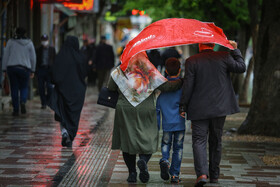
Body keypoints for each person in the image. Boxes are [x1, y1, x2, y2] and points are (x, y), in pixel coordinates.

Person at [107, 52, 182, 184]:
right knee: (149, 137)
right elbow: (166, 86)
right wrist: (181, 81)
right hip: (145, 109)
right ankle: (143, 160)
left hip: (125, 110)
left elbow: (111, 87)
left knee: (127, 141)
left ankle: (132, 173)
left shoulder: (121, 69)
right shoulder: (149, 70)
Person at [179, 41, 246, 186]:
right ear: (213, 45)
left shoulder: (192, 61)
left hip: (198, 108)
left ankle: (202, 174)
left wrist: (183, 106)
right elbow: (241, 67)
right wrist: (235, 50)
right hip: (219, 107)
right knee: (216, 140)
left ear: (199, 45)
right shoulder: (224, 56)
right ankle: (214, 176)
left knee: (199, 140)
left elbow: (188, 85)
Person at [48, 36, 88, 148]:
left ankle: (65, 132)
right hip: (77, 91)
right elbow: (85, 73)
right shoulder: (81, 57)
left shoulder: (60, 57)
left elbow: (54, 74)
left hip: (62, 90)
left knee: (63, 113)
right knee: (73, 115)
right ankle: (70, 134)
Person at [156, 57, 185, 184]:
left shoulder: (162, 91)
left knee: (166, 144)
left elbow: (157, 109)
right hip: (180, 123)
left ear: (166, 72)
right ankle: (175, 175)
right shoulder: (182, 89)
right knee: (178, 148)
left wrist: (157, 126)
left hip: (166, 124)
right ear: (179, 71)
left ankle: (165, 160)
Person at [2, 27, 36, 116]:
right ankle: (23, 101)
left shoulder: (10, 42)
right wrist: (33, 70)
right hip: (25, 69)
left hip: (12, 68)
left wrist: (4, 69)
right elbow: (33, 58)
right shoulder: (29, 43)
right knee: (24, 87)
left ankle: (16, 109)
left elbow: (5, 56)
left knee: (14, 88)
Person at [35, 34, 56, 109]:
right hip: (41, 70)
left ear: (48, 40)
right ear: (41, 41)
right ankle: (43, 103)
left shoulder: (52, 49)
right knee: (41, 87)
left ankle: (47, 100)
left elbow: (55, 60)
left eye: (45, 40)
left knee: (50, 87)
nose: (44, 42)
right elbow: (36, 60)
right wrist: (36, 70)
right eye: (43, 40)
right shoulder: (38, 49)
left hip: (49, 70)